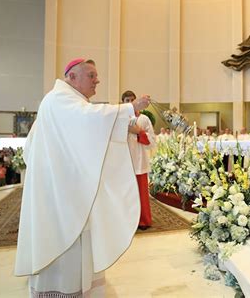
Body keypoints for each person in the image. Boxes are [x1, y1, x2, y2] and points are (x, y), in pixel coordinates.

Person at [14, 58, 150, 297]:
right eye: (91, 75)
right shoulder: (60, 99)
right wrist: (129, 107)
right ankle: (63, 290)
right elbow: (90, 118)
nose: (97, 80)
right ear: (72, 76)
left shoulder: (67, 101)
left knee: (77, 236)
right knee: (63, 237)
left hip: (66, 184)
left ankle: (80, 288)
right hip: (60, 190)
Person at [122, 90, 157, 230]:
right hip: (123, 162)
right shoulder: (119, 118)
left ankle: (143, 221)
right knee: (124, 194)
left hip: (139, 161)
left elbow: (152, 141)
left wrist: (139, 132)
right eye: (127, 100)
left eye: (132, 100)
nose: (130, 103)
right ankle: (125, 221)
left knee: (141, 193)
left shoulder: (144, 119)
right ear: (123, 103)